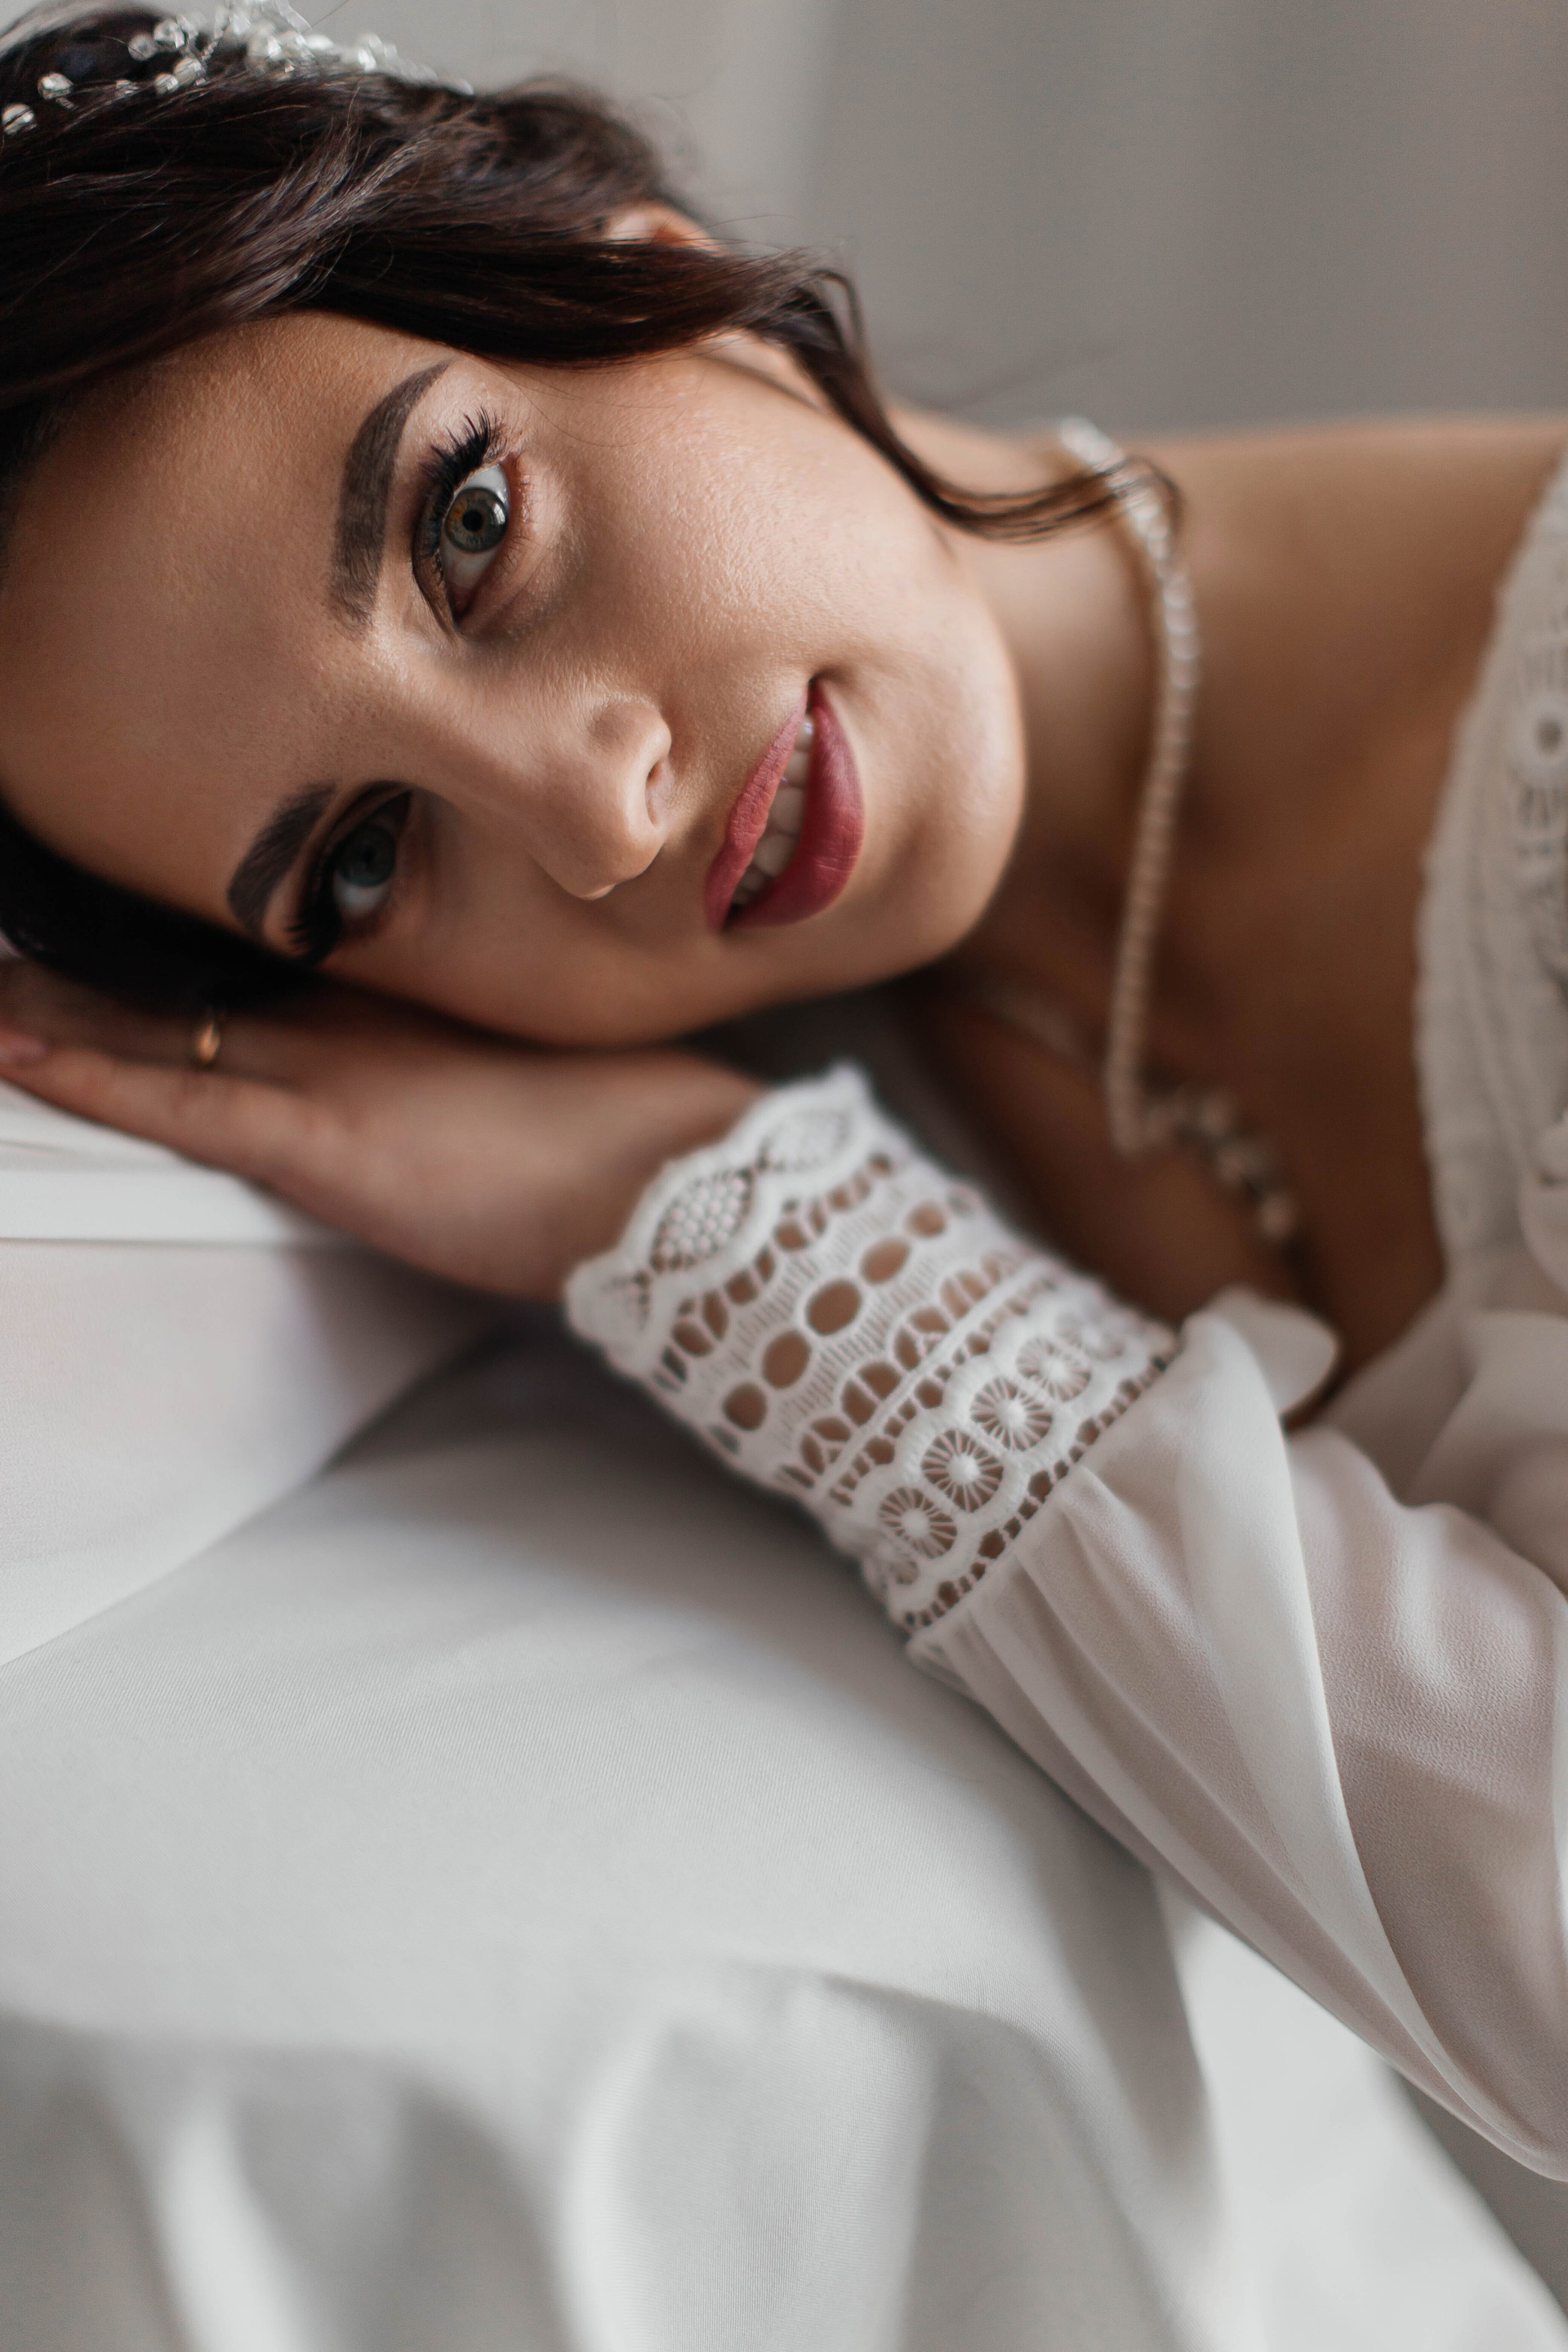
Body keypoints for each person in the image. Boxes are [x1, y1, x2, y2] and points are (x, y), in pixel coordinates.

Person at [2, 0, 1567, 2182]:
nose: (595, 814)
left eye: (469, 526)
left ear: (630, 261)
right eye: (361, 862)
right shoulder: (805, 1096)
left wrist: (748, 1239)